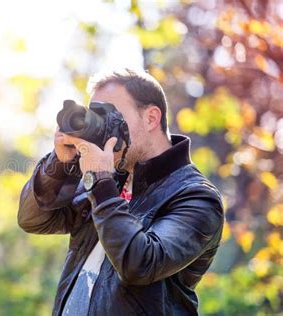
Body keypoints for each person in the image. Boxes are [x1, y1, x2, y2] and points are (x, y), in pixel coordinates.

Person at [17, 69, 225, 316]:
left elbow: (140, 264)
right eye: (96, 116)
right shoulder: (110, 179)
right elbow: (33, 220)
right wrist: (61, 164)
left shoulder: (196, 196)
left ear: (150, 118)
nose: (103, 129)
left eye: (111, 116)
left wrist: (100, 183)